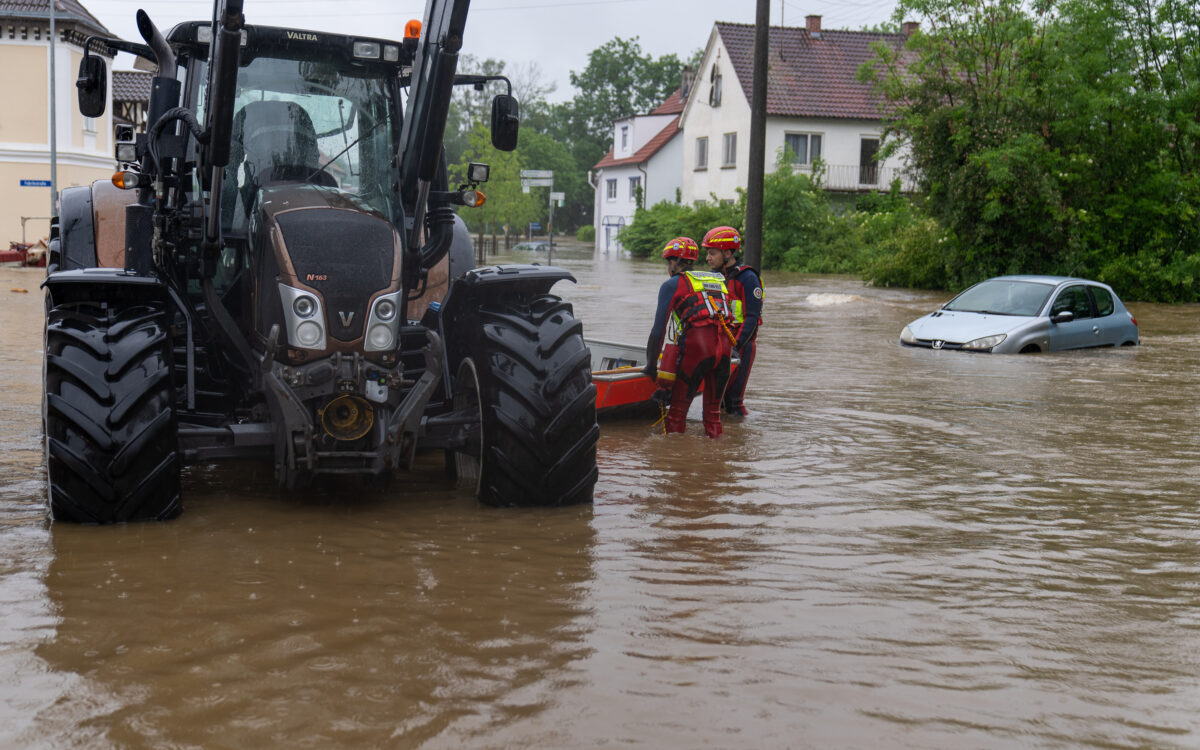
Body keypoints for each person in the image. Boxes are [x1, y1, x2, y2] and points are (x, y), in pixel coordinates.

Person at [644, 236, 735, 438]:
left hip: (698, 349)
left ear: (675, 261)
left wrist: (650, 366)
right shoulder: (716, 279)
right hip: (725, 350)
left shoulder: (672, 285)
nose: (668, 266)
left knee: (676, 415)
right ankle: (717, 461)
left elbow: (658, 331)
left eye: (669, 261)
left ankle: (676, 463)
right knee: (713, 417)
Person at [703, 226, 763, 417]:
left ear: (728, 253)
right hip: (720, 345)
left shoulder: (748, 278)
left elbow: (752, 317)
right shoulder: (714, 278)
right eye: (707, 253)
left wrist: (736, 346)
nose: (708, 258)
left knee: (733, 402)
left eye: (712, 253)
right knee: (716, 401)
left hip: (740, 347)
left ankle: (740, 438)